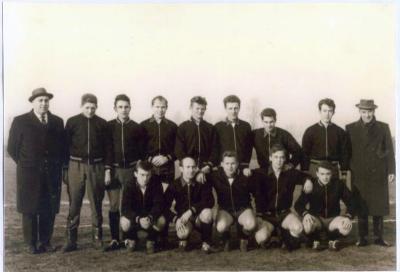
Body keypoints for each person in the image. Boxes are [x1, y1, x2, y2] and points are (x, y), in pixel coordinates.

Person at [7, 88, 65, 254]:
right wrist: (28, 164)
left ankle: (45, 241)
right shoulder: (20, 121)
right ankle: (31, 243)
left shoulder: (57, 121)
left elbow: (62, 147)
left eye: (46, 100)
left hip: (51, 173)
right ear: (32, 102)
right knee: (30, 208)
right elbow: (12, 148)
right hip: (29, 174)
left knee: (48, 208)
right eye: (40, 100)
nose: (43, 103)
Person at [62, 93, 109, 252]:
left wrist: (107, 169)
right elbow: (64, 147)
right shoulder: (72, 122)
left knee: (96, 203)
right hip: (75, 165)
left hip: (96, 167)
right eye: (87, 107)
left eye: (93, 107)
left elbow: (107, 149)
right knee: (74, 203)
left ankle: (97, 237)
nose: (90, 110)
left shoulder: (102, 124)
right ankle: (71, 239)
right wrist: (65, 169)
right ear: (81, 106)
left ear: (97, 107)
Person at [346, 99, 395, 247]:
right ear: (359, 112)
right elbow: (347, 152)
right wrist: (347, 169)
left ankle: (379, 237)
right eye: (364, 112)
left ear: (374, 111)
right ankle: (362, 237)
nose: (367, 115)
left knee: (378, 205)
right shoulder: (350, 128)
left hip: (378, 172)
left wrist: (391, 171)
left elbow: (390, 152)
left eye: (370, 111)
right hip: (359, 173)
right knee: (361, 205)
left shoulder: (383, 127)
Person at [103, 94, 146, 251]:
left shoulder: (137, 127)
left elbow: (142, 152)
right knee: (114, 205)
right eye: (120, 107)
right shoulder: (108, 127)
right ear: (115, 108)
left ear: (130, 108)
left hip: (130, 170)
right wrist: (107, 170)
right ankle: (115, 239)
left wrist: (138, 171)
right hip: (114, 170)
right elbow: (107, 150)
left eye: (126, 107)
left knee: (130, 205)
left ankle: (129, 238)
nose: (123, 110)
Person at [252, 144, 312, 251]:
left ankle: (284, 236)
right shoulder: (260, 173)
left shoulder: (290, 173)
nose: (279, 160)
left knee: (298, 228)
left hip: (284, 213)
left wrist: (307, 180)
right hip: (267, 215)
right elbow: (244, 177)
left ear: (285, 159)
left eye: (281, 157)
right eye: (276, 157)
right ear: (270, 158)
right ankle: (276, 234)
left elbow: (306, 176)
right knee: (261, 238)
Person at [141, 95, 178, 248]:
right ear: (152, 107)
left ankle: (163, 236)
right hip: (150, 169)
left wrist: (167, 158)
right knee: (151, 200)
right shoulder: (143, 126)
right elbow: (139, 148)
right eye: (157, 106)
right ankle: (151, 235)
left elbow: (177, 149)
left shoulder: (173, 126)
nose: (160, 110)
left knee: (165, 201)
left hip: (167, 168)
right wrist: (150, 159)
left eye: (163, 107)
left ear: (166, 108)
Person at [295, 161, 354, 251]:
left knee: (346, 229)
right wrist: (305, 214)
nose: (325, 177)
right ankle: (315, 240)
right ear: (317, 174)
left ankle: (332, 239)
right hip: (317, 218)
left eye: (328, 174)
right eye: (322, 174)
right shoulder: (311, 184)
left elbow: (352, 202)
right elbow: (298, 204)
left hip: (333, 219)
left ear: (332, 174)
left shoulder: (338, 184)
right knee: (307, 226)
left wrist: (348, 216)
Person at [164, 157, 215, 253]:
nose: (191, 170)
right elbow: (163, 206)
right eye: (187, 167)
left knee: (207, 213)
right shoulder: (174, 185)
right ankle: (185, 238)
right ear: (181, 169)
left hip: (199, 218)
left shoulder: (202, 181)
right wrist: (176, 219)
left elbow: (210, 201)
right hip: (183, 219)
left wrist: (192, 210)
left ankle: (206, 241)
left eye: (193, 167)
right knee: (182, 234)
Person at [208, 151, 257, 252]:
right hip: (225, 210)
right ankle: (226, 239)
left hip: (243, 209)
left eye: (233, 164)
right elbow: (203, 178)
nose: (230, 167)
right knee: (221, 226)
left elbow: (257, 192)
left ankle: (243, 238)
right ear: (222, 164)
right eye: (227, 164)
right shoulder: (216, 176)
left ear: (238, 164)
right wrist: (200, 174)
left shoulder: (245, 175)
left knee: (251, 224)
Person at [120, 160, 166, 254]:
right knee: (124, 221)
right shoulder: (129, 184)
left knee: (161, 221)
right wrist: (138, 219)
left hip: (150, 217)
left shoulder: (156, 183)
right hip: (136, 218)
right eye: (142, 175)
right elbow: (125, 208)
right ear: (136, 174)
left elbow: (159, 204)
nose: (145, 178)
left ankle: (151, 239)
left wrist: (150, 217)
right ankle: (132, 238)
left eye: (148, 175)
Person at [301, 98, 350, 179]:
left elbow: (344, 153)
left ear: (333, 112)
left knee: (334, 191)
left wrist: (344, 172)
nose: (327, 114)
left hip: (333, 169)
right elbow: (304, 154)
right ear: (319, 111)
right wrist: (305, 175)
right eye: (324, 111)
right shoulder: (310, 131)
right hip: (315, 169)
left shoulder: (340, 132)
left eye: (330, 111)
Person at [175, 96, 216, 183]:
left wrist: (208, 165)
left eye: (202, 109)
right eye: (197, 108)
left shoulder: (210, 128)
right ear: (191, 108)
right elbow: (179, 150)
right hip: (188, 170)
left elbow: (215, 150)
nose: (200, 111)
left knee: (205, 195)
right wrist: (191, 167)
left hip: (206, 169)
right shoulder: (183, 127)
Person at [212, 95, 253, 176]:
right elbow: (215, 148)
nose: (233, 111)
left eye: (236, 108)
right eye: (230, 108)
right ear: (225, 109)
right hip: (224, 168)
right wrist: (216, 164)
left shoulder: (246, 126)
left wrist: (245, 165)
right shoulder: (218, 126)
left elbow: (249, 148)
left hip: (242, 168)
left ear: (239, 108)